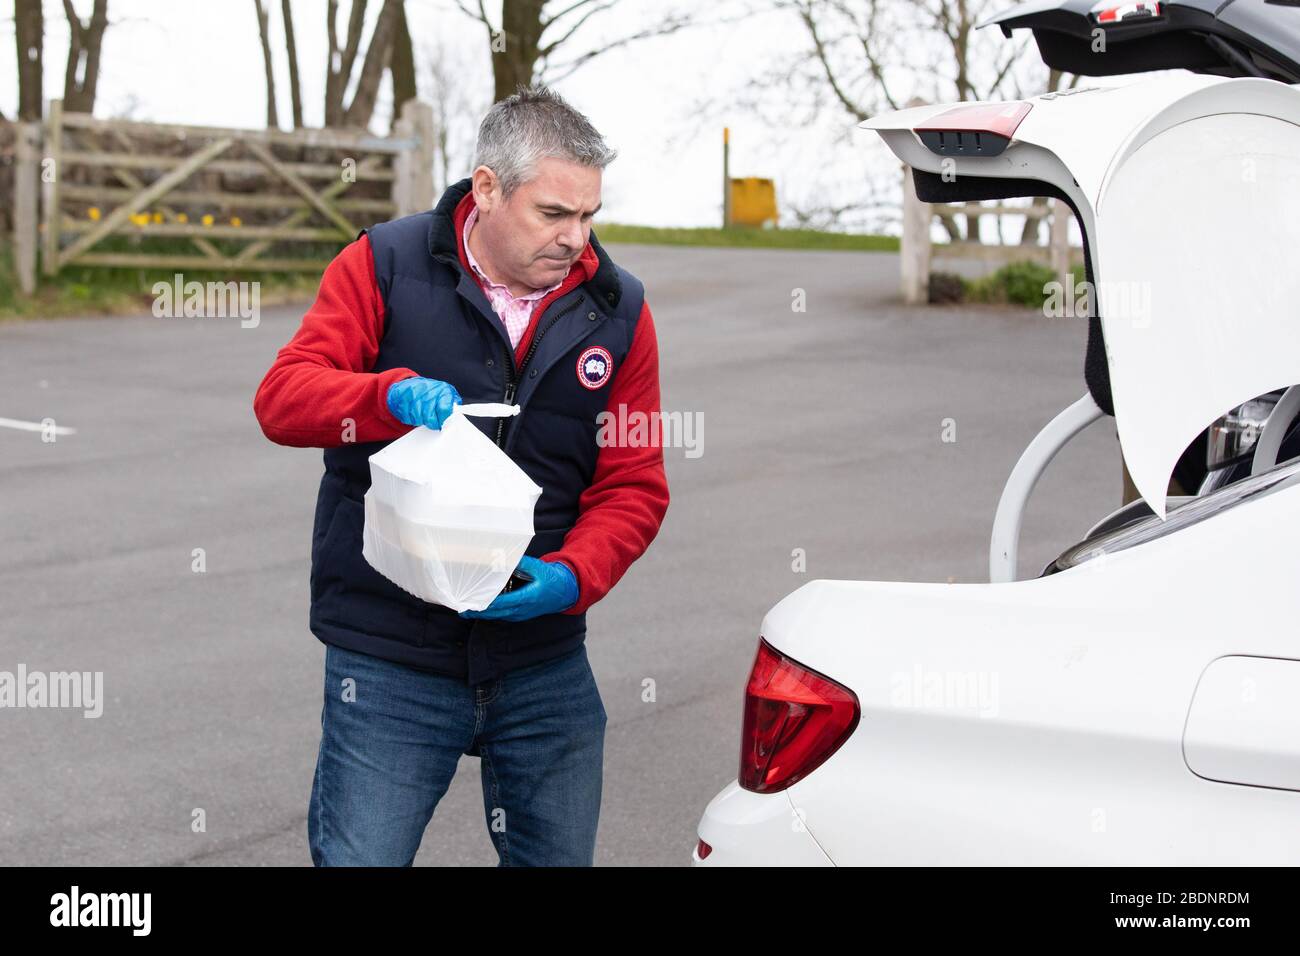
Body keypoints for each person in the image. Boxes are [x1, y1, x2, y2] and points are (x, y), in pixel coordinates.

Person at [252, 85, 669, 866]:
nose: (578, 240)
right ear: (486, 189)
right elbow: (282, 400)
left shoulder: (620, 311)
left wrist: (573, 577)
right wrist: (382, 396)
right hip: (390, 658)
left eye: (589, 216)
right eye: (554, 214)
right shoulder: (381, 263)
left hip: (544, 660)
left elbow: (635, 483)